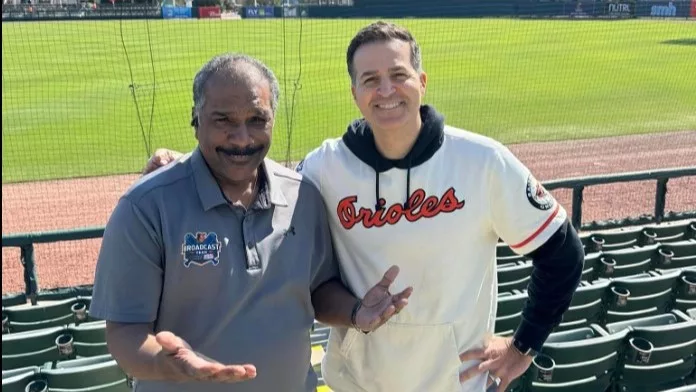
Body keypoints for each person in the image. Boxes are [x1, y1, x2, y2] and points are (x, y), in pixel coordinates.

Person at [143, 22, 584, 392]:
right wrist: (183, 164)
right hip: (357, 382)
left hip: (456, 381)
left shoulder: (483, 161)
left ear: (422, 81)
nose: (386, 90)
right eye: (370, 80)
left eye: (398, 74)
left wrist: (523, 346)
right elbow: (255, 177)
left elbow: (562, 253)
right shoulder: (326, 167)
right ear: (355, 92)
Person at [89, 53, 413, 392]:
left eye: (257, 119)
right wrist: (165, 362)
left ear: (273, 118)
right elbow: (125, 332)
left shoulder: (302, 196)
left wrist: (355, 311)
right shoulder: (145, 206)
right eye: (223, 120)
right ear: (196, 120)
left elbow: (317, 288)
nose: (242, 138)